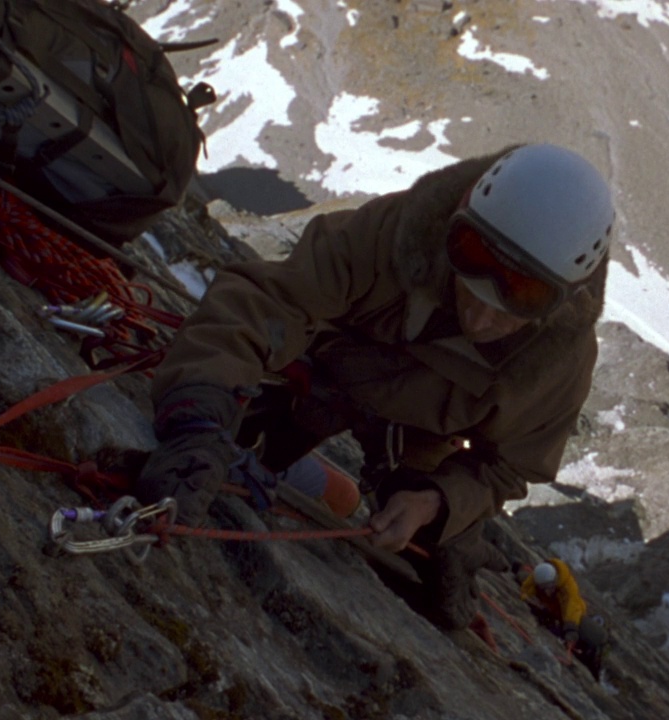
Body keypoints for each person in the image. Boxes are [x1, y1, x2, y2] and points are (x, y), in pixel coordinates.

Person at [134, 143, 614, 631]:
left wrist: (436, 503)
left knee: (427, 571)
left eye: (513, 305)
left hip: (418, 441)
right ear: (459, 224)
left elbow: (507, 469)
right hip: (322, 374)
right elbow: (270, 302)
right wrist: (198, 412)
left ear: (561, 302)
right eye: (471, 277)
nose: (479, 315)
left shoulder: (556, 367)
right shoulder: (399, 235)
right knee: (222, 442)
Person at [519, 559, 609, 680]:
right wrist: (527, 600)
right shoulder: (537, 578)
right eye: (545, 588)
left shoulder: (567, 585)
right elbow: (526, 590)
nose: (548, 591)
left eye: (550, 587)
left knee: (595, 638)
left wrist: (571, 630)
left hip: (575, 615)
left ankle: (592, 668)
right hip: (555, 613)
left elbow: (572, 609)